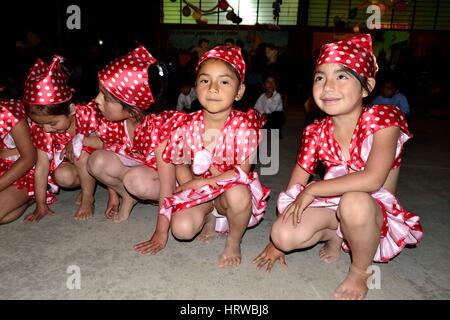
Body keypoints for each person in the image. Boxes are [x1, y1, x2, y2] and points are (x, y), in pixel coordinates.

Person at [253, 34, 423, 300]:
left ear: (367, 87)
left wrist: (314, 189)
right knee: (284, 234)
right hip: (331, 205)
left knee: (353, 202)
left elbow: (372, 180)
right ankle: (335, 235)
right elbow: (296, 184)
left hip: (371, 210)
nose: (328, 86)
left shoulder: (383, 120)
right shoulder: (316, 131)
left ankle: (359, 270)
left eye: (341, 76)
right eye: (320, 77)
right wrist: (277, 242)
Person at [159, 46, 270, 267]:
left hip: (228, 188)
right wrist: (191, 183)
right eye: (205, 81)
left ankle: (233, 241)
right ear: (195, 86)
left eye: (224, 82)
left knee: (239, 194)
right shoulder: (187, 123)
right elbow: (179, 161)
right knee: (181, 230)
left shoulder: (245, 126)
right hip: (201, 190)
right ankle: (208, 216)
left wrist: (204, 181)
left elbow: (241, 171)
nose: (213, 89)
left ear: (239, 92)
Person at [87, 46, 181, 254]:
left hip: (166, 181)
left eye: (106, 97)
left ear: (133, 108)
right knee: (96, 161)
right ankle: (127, 196)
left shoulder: (159, 129)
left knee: (135, 180)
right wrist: (113, 195)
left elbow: (167, 185)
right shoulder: (113, 121)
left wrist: (161, 231)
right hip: (136, 168)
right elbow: (112, 150)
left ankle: (133, 191)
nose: (96, 100)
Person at [23, 55, 103, 222]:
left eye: (52, 123)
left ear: (72, 109)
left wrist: (78, 140)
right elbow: (42, 167)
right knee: (63, 176)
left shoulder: (88, 114)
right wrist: (41, 203)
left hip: (101, 164)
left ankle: (89, 198)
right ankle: (85, 185)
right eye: (40, 124)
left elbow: (110, 143)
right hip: (73, 166)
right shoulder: (43, 129)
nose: (46, 129)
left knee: (80, 151)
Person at [0, 97, 37, 224]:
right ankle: (26, 200)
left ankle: (35, 193)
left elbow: (30, 158)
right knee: (4, 217)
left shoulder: (8, 111)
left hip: (30, 169)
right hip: (4, 165)